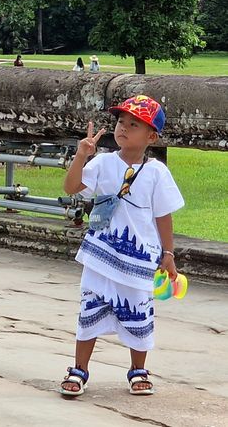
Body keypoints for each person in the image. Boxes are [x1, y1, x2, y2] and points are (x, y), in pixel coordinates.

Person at [59, 95, 183, 397]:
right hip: (101, 255)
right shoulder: (102, 163)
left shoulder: (156, 172)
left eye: (133, 124)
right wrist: (81, 156)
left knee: (139, 312)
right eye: (120, 122)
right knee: (90, 310)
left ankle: (138, 369)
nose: (123, 128)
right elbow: (72, 187)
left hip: (139, 260)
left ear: (151, 136)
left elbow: (162, 215)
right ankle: (79, 369)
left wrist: (168, 253)